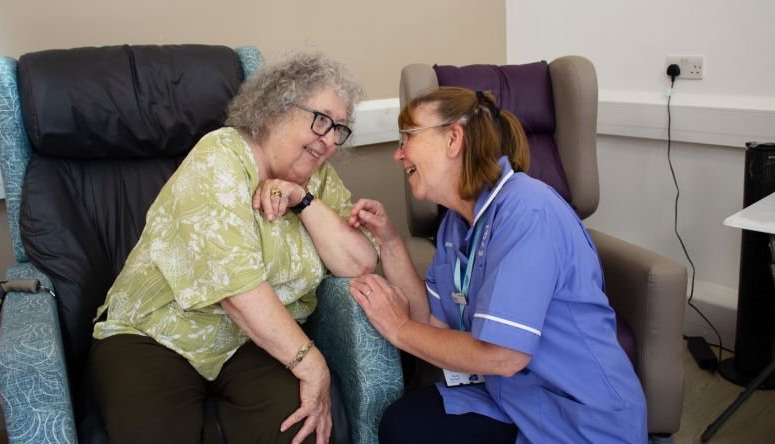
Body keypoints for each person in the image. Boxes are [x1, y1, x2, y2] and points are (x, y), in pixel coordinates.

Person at [89, 52, 378, 444]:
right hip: (155, 334)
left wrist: (303, 200)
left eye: (339, 129)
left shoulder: (317, 177)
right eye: (322, 120)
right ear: (277, 107)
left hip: (249, 344)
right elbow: (237, 291)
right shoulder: (218, 157)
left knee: (302, 432)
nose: (329, 139)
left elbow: (360, 262)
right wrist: (313, 365)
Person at [347, 87, 647, 443]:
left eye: (408, 137)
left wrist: (396, 328)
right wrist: (390, 242)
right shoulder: (455, 226)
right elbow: (431, 324)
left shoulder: (528, 212)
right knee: (402, 425)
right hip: (512, 398)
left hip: (578, 416)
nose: (398, 154)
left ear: (453, 139)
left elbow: (504, 356)